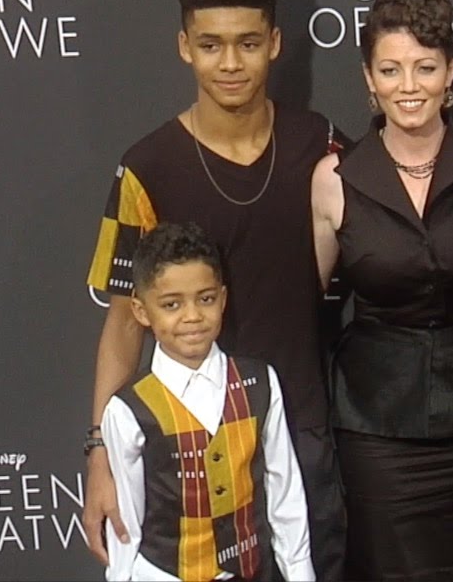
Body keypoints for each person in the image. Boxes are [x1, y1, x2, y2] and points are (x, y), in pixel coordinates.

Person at [85, 0, 346, 580]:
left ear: (275, 43)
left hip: (303, 434)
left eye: (248, 43)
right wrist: (100, 453)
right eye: (210, 45)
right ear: (184, 46)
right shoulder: (145, 167)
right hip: (182, 453)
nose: (230, 63)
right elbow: (122, 321)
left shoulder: (322, 144)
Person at [310, 0, 453, 581]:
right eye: (390, 70)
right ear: (368, 78)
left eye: (424, 68)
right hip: (376, 432)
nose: (408, 87)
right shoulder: (334, 179)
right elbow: (310, 308)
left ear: (450, 73)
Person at [100, 221, 313, 581]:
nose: (192, 316)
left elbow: (285, 491)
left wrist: (299, 574)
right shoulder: (127, 410)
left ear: (223, 299)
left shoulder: (260, 383)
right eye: (171, 304)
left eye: (206, 299)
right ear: (141, 310)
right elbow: (127, 522)